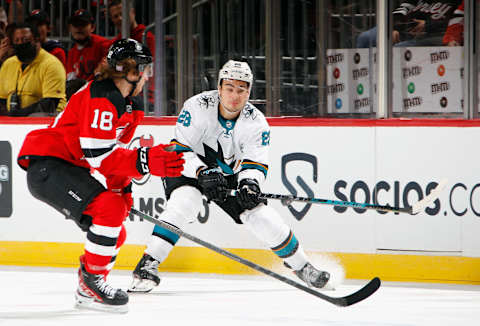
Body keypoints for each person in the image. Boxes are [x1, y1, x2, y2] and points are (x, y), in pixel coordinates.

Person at [128, 60, 333, 293]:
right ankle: (147, 265)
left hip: (229, 175)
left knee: (260, 216)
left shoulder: (256, 122)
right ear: (219, 87)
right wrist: (203, 172)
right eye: (229, 88)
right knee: (186, 200)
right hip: (187, 167)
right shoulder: (197, 106)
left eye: (241, 89)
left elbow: (255, 163)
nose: (234, 95)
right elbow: (179, 150)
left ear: (249, 91)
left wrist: (250, 182)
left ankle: (302, 266)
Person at [16, 38, 185, 312]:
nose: (147, 76)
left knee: (115, 229)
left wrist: (122, 191)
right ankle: (91, 283)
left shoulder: (132, 106)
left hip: (65, 167)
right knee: (108, 209)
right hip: (47, 165)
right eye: (145, 70)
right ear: (132, 72)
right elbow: (99, 156)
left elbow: (116, 153)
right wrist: (145, 160)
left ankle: (89, 288)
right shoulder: (101, 96)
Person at [0, 22, 66, 116]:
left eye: (25, 39)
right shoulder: (8, 64)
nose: (20, 44)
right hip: (13, 120)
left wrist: (16, 116)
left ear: (36, 40)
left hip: (46, 118)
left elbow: (50, 104)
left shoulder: (52, 64)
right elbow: (2, 100)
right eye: (17, 40)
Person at [109, 0, 155, 109]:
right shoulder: (116, 42)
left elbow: (147, 68)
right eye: (116, 16)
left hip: (145, 98)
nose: (120, 18)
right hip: (124, 96)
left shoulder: (146, 37)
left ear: (132, 12)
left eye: (122, 14)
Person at [356, 0, 463, 48]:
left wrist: (428, 25)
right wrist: (392, 28)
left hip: (430, 35)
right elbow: (401, 10)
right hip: (402, 28)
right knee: (365, 38)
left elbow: (457, 22)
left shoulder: (457, 2)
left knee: (399, 48)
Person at [66, 9, 112, 81]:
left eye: (83, 24)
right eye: (75, 25)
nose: (79, 28)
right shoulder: (71, 53)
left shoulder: (103, 45)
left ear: (92, 27)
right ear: (69, 28)